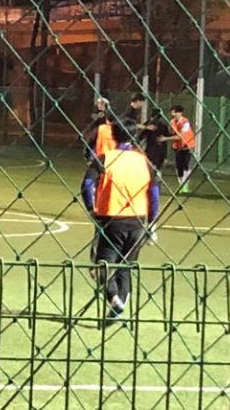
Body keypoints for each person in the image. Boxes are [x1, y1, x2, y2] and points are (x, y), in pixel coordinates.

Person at [80, 119, 159, 322]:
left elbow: (87, 184)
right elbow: (154, 193)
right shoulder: (144, 161)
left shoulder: (106, 158)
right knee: (126, 267)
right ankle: (120, 303)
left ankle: (114, 298)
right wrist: (152, 222)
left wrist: (91, 209)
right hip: (138, 220)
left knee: (101, 266)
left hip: (112, 219)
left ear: (114, 136)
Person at [166, 105, 195, 192]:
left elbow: (180, 136)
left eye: (175, 112)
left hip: (187, 145)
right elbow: (171, 132)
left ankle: (185, 185)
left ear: (180, 113)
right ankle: (181, 184)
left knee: (186, 164)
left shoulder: (185, 122)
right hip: (177, 146)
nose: (173, 114)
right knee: (179, 166)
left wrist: (165, 138)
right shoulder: (172, 121)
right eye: (172, 112)